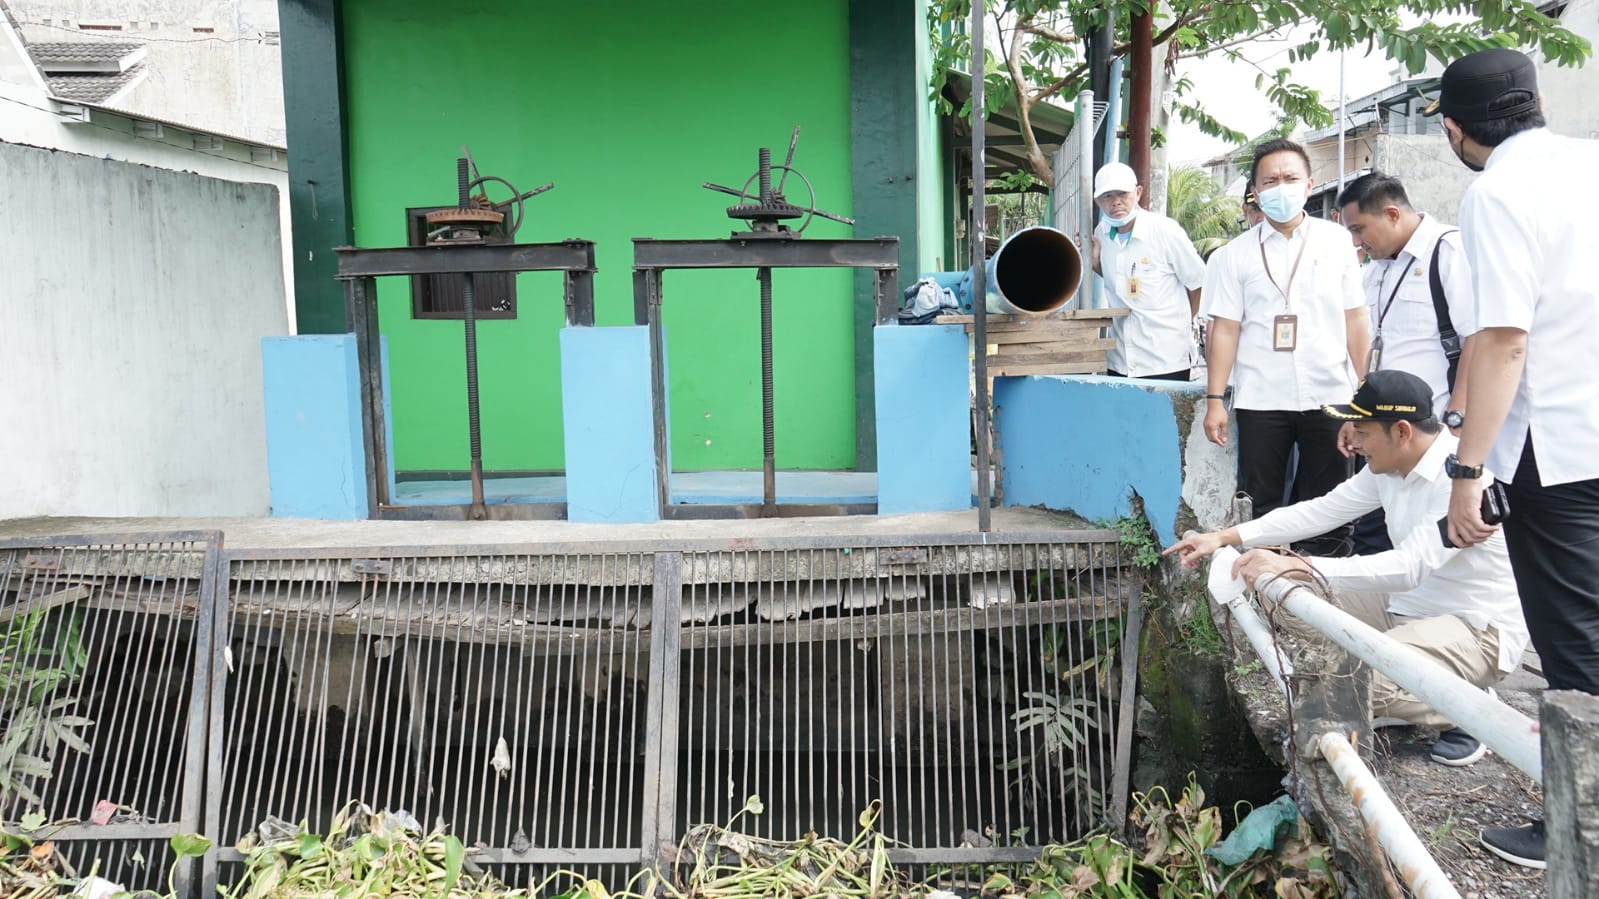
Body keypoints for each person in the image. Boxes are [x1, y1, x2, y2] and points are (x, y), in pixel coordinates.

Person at [1165, 370, 1529, 766]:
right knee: (1280, 597)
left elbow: (1409, 567)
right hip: (1403, 608)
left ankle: (1468, 710)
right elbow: (1321, 511)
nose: (1352, 440)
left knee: (1349, 688)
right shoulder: (1388, 466)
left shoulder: (1457, 480)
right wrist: (1225, 537)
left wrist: (1300, 564)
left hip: (1475, 629)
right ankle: (1403, 691)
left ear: (1402, 431)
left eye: (1362, 429)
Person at [1427, 46, 1599, 869]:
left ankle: (1577, 826)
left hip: (1558, 451)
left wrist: (1467, 472)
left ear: (1456, 129)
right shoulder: (1590, 163)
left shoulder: (1495, 192)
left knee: (1573, 649)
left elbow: (1501, 341)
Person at [1200, 139, 1371, 554]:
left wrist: (1366, 389)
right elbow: (1224, 329)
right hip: (1262, 397)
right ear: (1256, 192)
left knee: (1330, 502)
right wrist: (1215, 399)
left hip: (1330, 394)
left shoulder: (1337, 243)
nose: (1281, 187)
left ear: (1310, 183)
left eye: (1290, 178)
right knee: (1262, 500)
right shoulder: (1233, 255)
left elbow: (1355, 318)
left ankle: (1324, 592)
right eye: (1270, 181)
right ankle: (1266, 588)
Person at [1089, 162, 1207, 381]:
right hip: (1120, 359)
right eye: (1107, 196)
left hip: (1164, 359)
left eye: (1123, 194)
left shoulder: (1165, 231)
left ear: (1138, 192)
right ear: (1098, 202)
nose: (1116, 202)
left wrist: (1181, 321)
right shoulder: (1102, 234)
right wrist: (1096, 263)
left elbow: (1198, 282)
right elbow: (1119, 278)